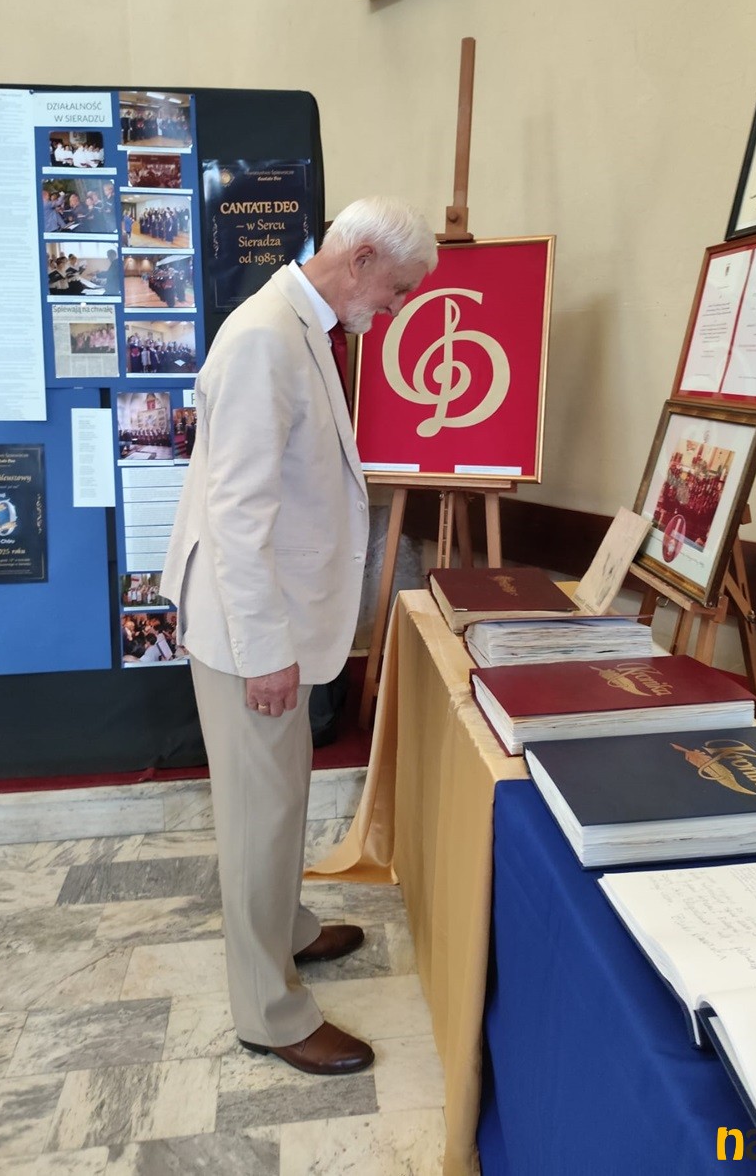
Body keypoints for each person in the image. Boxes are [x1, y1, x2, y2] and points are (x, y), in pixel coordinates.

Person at [161, 195, 436, 1076]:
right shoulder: (264, 338)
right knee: (259, 814)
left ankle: (288, 929)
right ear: (360, 258)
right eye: (396, 289)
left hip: (273, 612)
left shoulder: (299, 323)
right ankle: (269, 1012)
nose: (396, 308)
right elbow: (237, 518)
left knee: (279, 798)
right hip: (251, 627)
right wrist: (267, 652)